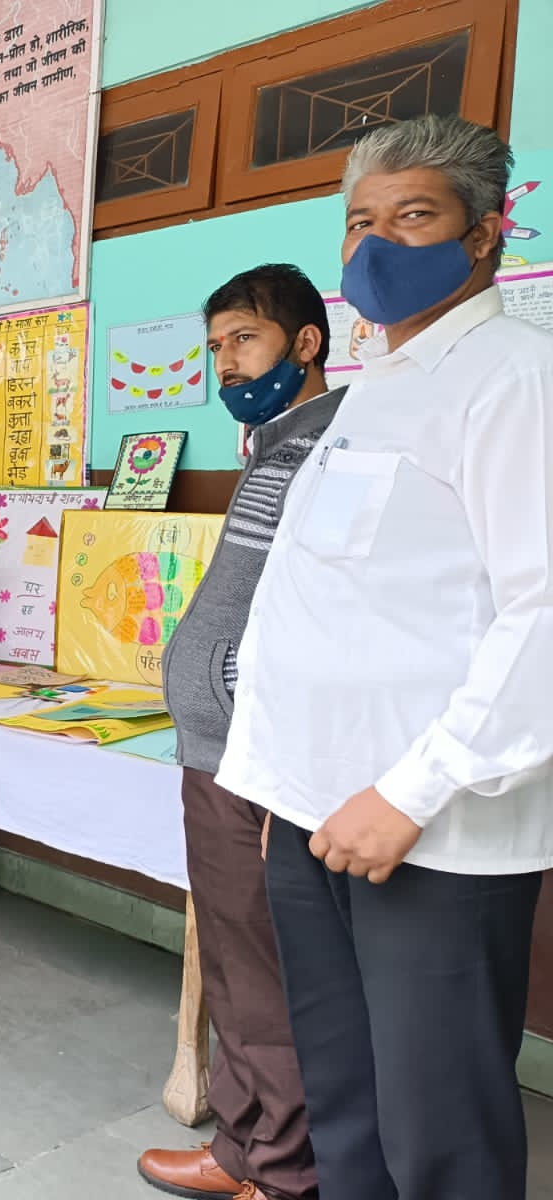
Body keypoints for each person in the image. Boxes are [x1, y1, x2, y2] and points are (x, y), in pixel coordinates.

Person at [215, 114, 553, 1199]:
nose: (376, 245)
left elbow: (542, 610)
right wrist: (283, 783)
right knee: (347, 1106)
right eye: (360, 221)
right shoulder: (374, 389)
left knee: (435, 1129)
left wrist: (411, 792)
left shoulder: (516, 377)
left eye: (413, 216)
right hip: (314, 809)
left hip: (428, 828)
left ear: (482, 235)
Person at [136, 265, 341, 1200]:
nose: (225, 362)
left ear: (305, 342)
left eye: (244, 340)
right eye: (216, 345)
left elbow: (317, 619)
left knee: (264, 970)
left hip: (258, 758)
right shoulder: (274, 445)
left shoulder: (331, 446)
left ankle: (283, 1172)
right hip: (217, 751)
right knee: (229, 957)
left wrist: (241, 710)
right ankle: (241, 1144)